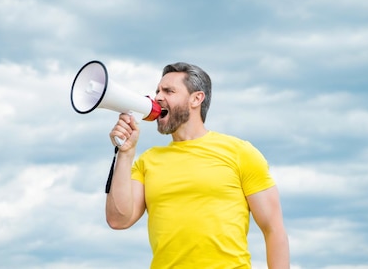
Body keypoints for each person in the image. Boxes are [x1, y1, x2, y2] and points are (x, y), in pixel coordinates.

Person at [106, 62, 290, 268]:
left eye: (168, 91)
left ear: (196, 99)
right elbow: (118, 220)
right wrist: (126, 153)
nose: (157, 97)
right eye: (157, 91)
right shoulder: (147, 161)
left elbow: (273, 229)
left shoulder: (240, 152)